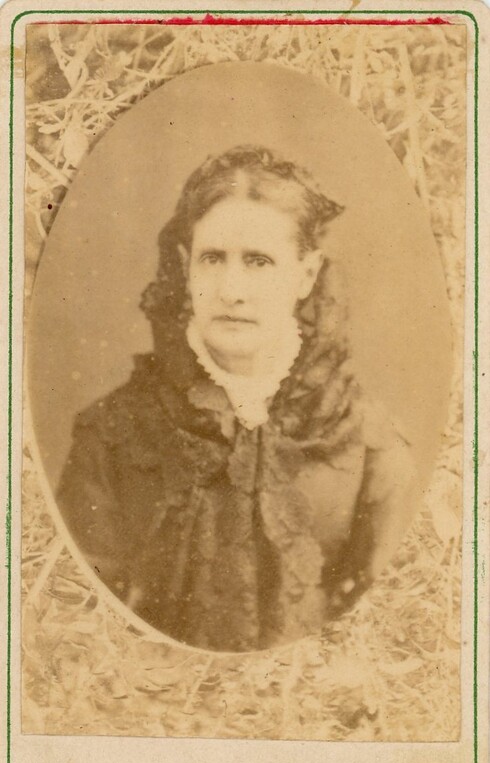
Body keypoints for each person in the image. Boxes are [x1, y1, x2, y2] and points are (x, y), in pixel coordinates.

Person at [57, 145, 420, 653]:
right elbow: (78, 629)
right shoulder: (112, 435)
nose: (231, 289)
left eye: (258, 261)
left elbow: (386, 634)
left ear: (306, 275)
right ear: (186, 268)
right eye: (212, 259)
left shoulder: (367, 443)